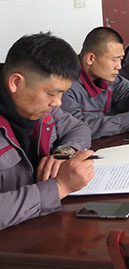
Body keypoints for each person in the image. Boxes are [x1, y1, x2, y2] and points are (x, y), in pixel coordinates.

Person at [0, 33, 95, 230]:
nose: (58, 103)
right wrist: (60, 187)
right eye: (52, 93)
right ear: (16, 82)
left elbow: (78, 128)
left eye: (62, 93)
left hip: (39, 223)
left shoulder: (38, 107)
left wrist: (63, 153)